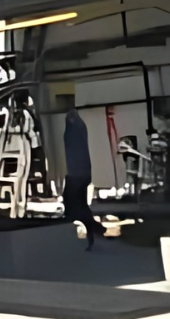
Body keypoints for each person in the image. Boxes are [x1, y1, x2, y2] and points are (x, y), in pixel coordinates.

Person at [63, 107, 104, 249]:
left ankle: (93, 228)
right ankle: (93, 228)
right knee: (79, 205)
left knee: (75, 206)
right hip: (80, 174)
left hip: (76, 174)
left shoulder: (74, 131)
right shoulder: (80, 128)